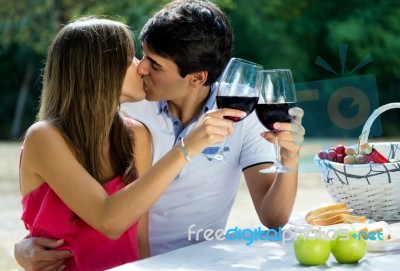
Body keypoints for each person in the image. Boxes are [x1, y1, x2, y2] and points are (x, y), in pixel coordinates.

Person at [15, 0, 305, 270]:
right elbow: (89, 210)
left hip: (196, 261)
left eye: (154, 64)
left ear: (197, 77)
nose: (141, 68)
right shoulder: (129, 107)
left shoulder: (237, 115)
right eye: (138, 56)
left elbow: (273, 219)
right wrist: (22, 246)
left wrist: (289, 159)